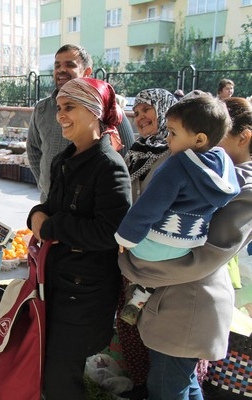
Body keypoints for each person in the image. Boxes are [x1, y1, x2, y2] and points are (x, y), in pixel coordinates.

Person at [118, 97, 252, 400]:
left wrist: (133, 264)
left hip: (188, 305)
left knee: (168, 387)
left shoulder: (241, 186)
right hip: (176, 303)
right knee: (181, 383)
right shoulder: (211, 171)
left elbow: (208, 256)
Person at [26, 77, 131, 399]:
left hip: (83, 293)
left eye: (69, 107)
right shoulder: (64, 160)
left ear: (94, 111)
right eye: (59, 107)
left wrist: (50, 227)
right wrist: (35, 215)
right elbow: (49, 207)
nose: (61, 115)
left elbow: (110, 232)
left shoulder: (109, 167)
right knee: (53, 367)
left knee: (60, 375)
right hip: (57, 284)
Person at [115, 96, 240, 325]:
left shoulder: (177, 165)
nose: (168, 139)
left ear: (199, 139)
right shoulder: (223, 163)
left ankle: (137, 296)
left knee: (123, 252)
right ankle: (143, 295)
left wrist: (125, 237)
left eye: (172, 133)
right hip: (187, 245)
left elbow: (149, 207)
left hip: (154, 243)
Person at [114, 87, 177, 400]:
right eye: (136, 112)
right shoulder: (135, 150)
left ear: (164, 111)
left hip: (159, 257)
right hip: (129, 253)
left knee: (156, 324)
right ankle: (140, 384)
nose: (139, 118)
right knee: (128, 319)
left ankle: (161, 387)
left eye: (146, 110)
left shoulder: (175, 154)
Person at [26, 44, 135, 202]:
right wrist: (47, 185)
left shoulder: (107, 108)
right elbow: (34, 150)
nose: (61, 70)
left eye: (70, 65)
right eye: (57, 65)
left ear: (87, 72)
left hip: (91, 209)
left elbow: (129, 158)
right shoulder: (42, 109)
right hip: (50, 203)